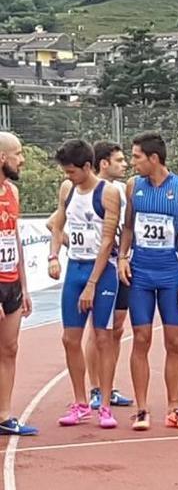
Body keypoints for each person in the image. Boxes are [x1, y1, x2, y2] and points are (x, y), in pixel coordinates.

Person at [118, 132, 178, 431]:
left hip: (170, 274)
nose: (132, 162)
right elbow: (128, 227)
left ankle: (174, 408)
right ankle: (141, 409)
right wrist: (123, 257)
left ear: (154, 158)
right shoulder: (134, 186)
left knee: (175, 341)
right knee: (141, 338)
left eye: (137, 157)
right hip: (140, 274)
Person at [46, 142, 134, 410]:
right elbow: (55, 222)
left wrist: (115, 263)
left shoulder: (112, 193)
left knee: (111, 332)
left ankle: (105, 396)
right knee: (77, 336)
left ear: (87, 166)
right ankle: (88, 396)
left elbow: (110, 238)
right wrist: (55, 254)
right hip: (79, 267)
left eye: (71, 171)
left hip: (109, 268)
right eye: (118, 160)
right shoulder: (68, 188)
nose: (67, 177)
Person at [0, 132, 36, 436]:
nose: (21, 160)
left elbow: (15, 239)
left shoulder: (11, 191)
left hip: (11, 281)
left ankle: (4, 415)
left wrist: (24, 286)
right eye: (18, 154)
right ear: (2, 158)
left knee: (9, 348)